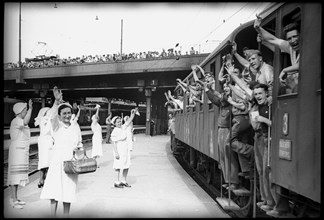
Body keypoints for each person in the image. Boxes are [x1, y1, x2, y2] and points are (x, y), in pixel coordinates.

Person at [40, 87, 83, 218]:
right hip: (57, 163)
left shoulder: (75, 127)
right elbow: (51, 116)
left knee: (68, 192)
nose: (67, 115)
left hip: (71, 164)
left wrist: (79, 151)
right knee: (54, 192)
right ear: (60, 115)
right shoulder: (56, 126)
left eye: (69, 113)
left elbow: (80, 144)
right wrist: (56, 102)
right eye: (64, 113)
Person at [254, 16, 300, 94]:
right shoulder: (290, 47)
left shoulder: (308, 45)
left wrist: (285, 70)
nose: (293, 41)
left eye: (295, 36)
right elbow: (273, 39)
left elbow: (302, 64)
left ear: (300, 35)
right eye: (289, 38)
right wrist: (258, 28)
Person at [7, 99, 33, 209]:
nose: (26, 112)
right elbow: (26, 122)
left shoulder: (19, 121)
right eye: (25, 110)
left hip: (21, 152)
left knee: (18, 177)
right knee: (14, 177)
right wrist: (31, 108)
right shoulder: (16, 120)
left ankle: (15, 198)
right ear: (20, 112)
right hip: (17, 152)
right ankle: (13, 200)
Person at [110, 108, 136, 188]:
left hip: (125, 148)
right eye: (117, 122)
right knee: (118, 166)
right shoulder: (114, 131)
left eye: (120, 121)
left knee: (126, 164)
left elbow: (128, 122)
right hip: (119, 148)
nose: (119, 123)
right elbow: (113, 143)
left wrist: (132, 114)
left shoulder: (123, 127)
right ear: (114, 123)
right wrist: (116, 153)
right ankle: (117, 182)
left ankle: (124, 181)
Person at [34, 107, 54, 188]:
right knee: (46, 161)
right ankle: (43, 179)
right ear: (45, 113)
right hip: (46, 141)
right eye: (49, 112)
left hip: (46, 141)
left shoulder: (45, 120)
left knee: (46, 161)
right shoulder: (45, 120)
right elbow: (47, 131)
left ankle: (43, 179)